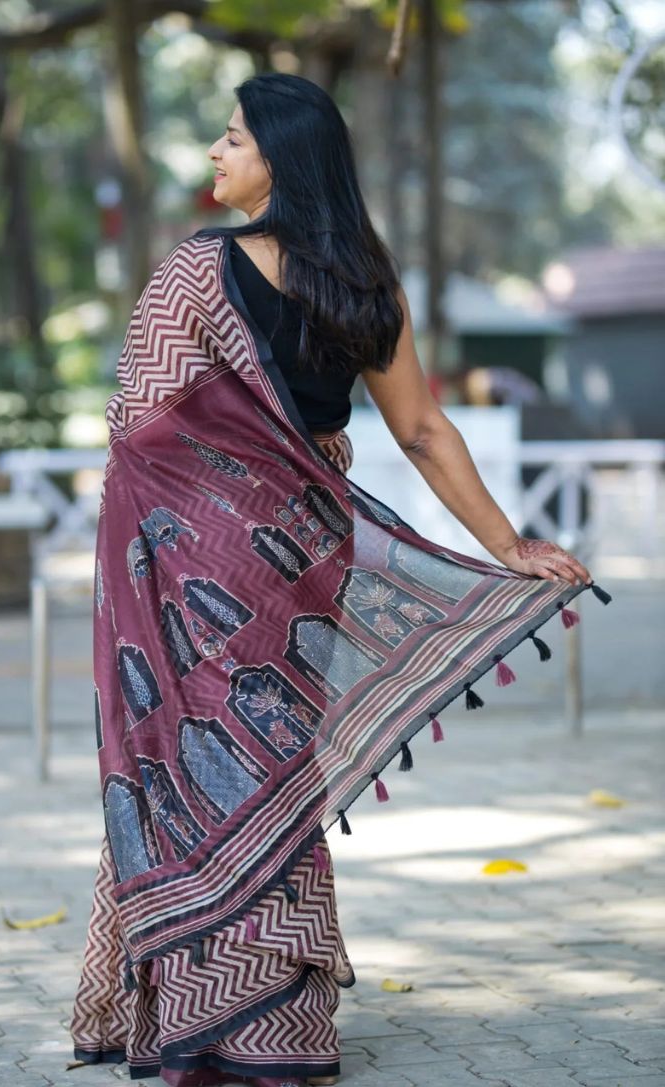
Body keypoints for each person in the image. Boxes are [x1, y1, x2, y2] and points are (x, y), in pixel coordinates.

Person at [69, 73, 607, 1087]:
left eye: (233, 138)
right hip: (304, 552)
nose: (216, 153)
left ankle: (204, 1012)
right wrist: (506, 543)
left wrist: (153, 546)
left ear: (281, 159)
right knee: (274, 757)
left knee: (190, 765)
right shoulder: (366, 283)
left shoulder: (195, 271)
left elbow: (136, 434)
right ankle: (274, 1015)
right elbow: (422, 429)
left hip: (194, 564)